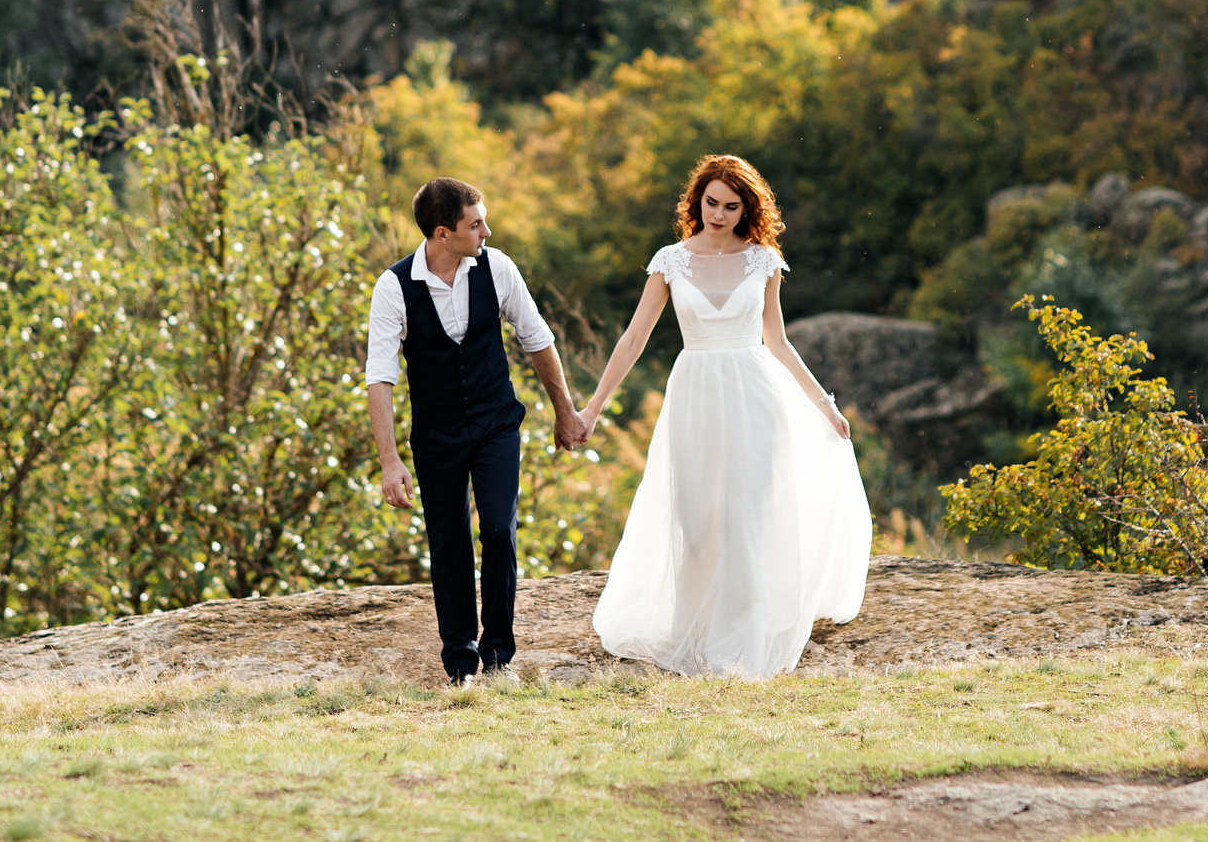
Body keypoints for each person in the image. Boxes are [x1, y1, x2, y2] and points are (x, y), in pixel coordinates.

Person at [578, 154, 872, 676]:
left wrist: (824, 403)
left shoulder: (763, 261)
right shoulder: (670, 260)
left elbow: (777, 341)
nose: (718, 214)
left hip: (756, 397)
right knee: (697, 521)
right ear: (698, 201)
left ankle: (742, 638)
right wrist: (594, 406)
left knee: (747, 514)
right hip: (694, 395)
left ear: (746, 209)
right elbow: (634, 338)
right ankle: (692, 627)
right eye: (711, 202)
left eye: (731, 206)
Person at [366, 177, 590, 682]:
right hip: (436, 435)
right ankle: (461, 664)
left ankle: (496, 659)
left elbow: (538, 340)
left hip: (495, 425)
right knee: (447, 541)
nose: (487, 230)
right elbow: (379, 376)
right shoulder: (394, 286)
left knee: (497, 530)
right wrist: (388, 460)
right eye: (476, 223)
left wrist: (565, 411)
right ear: (443, 234)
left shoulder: (498, 267)